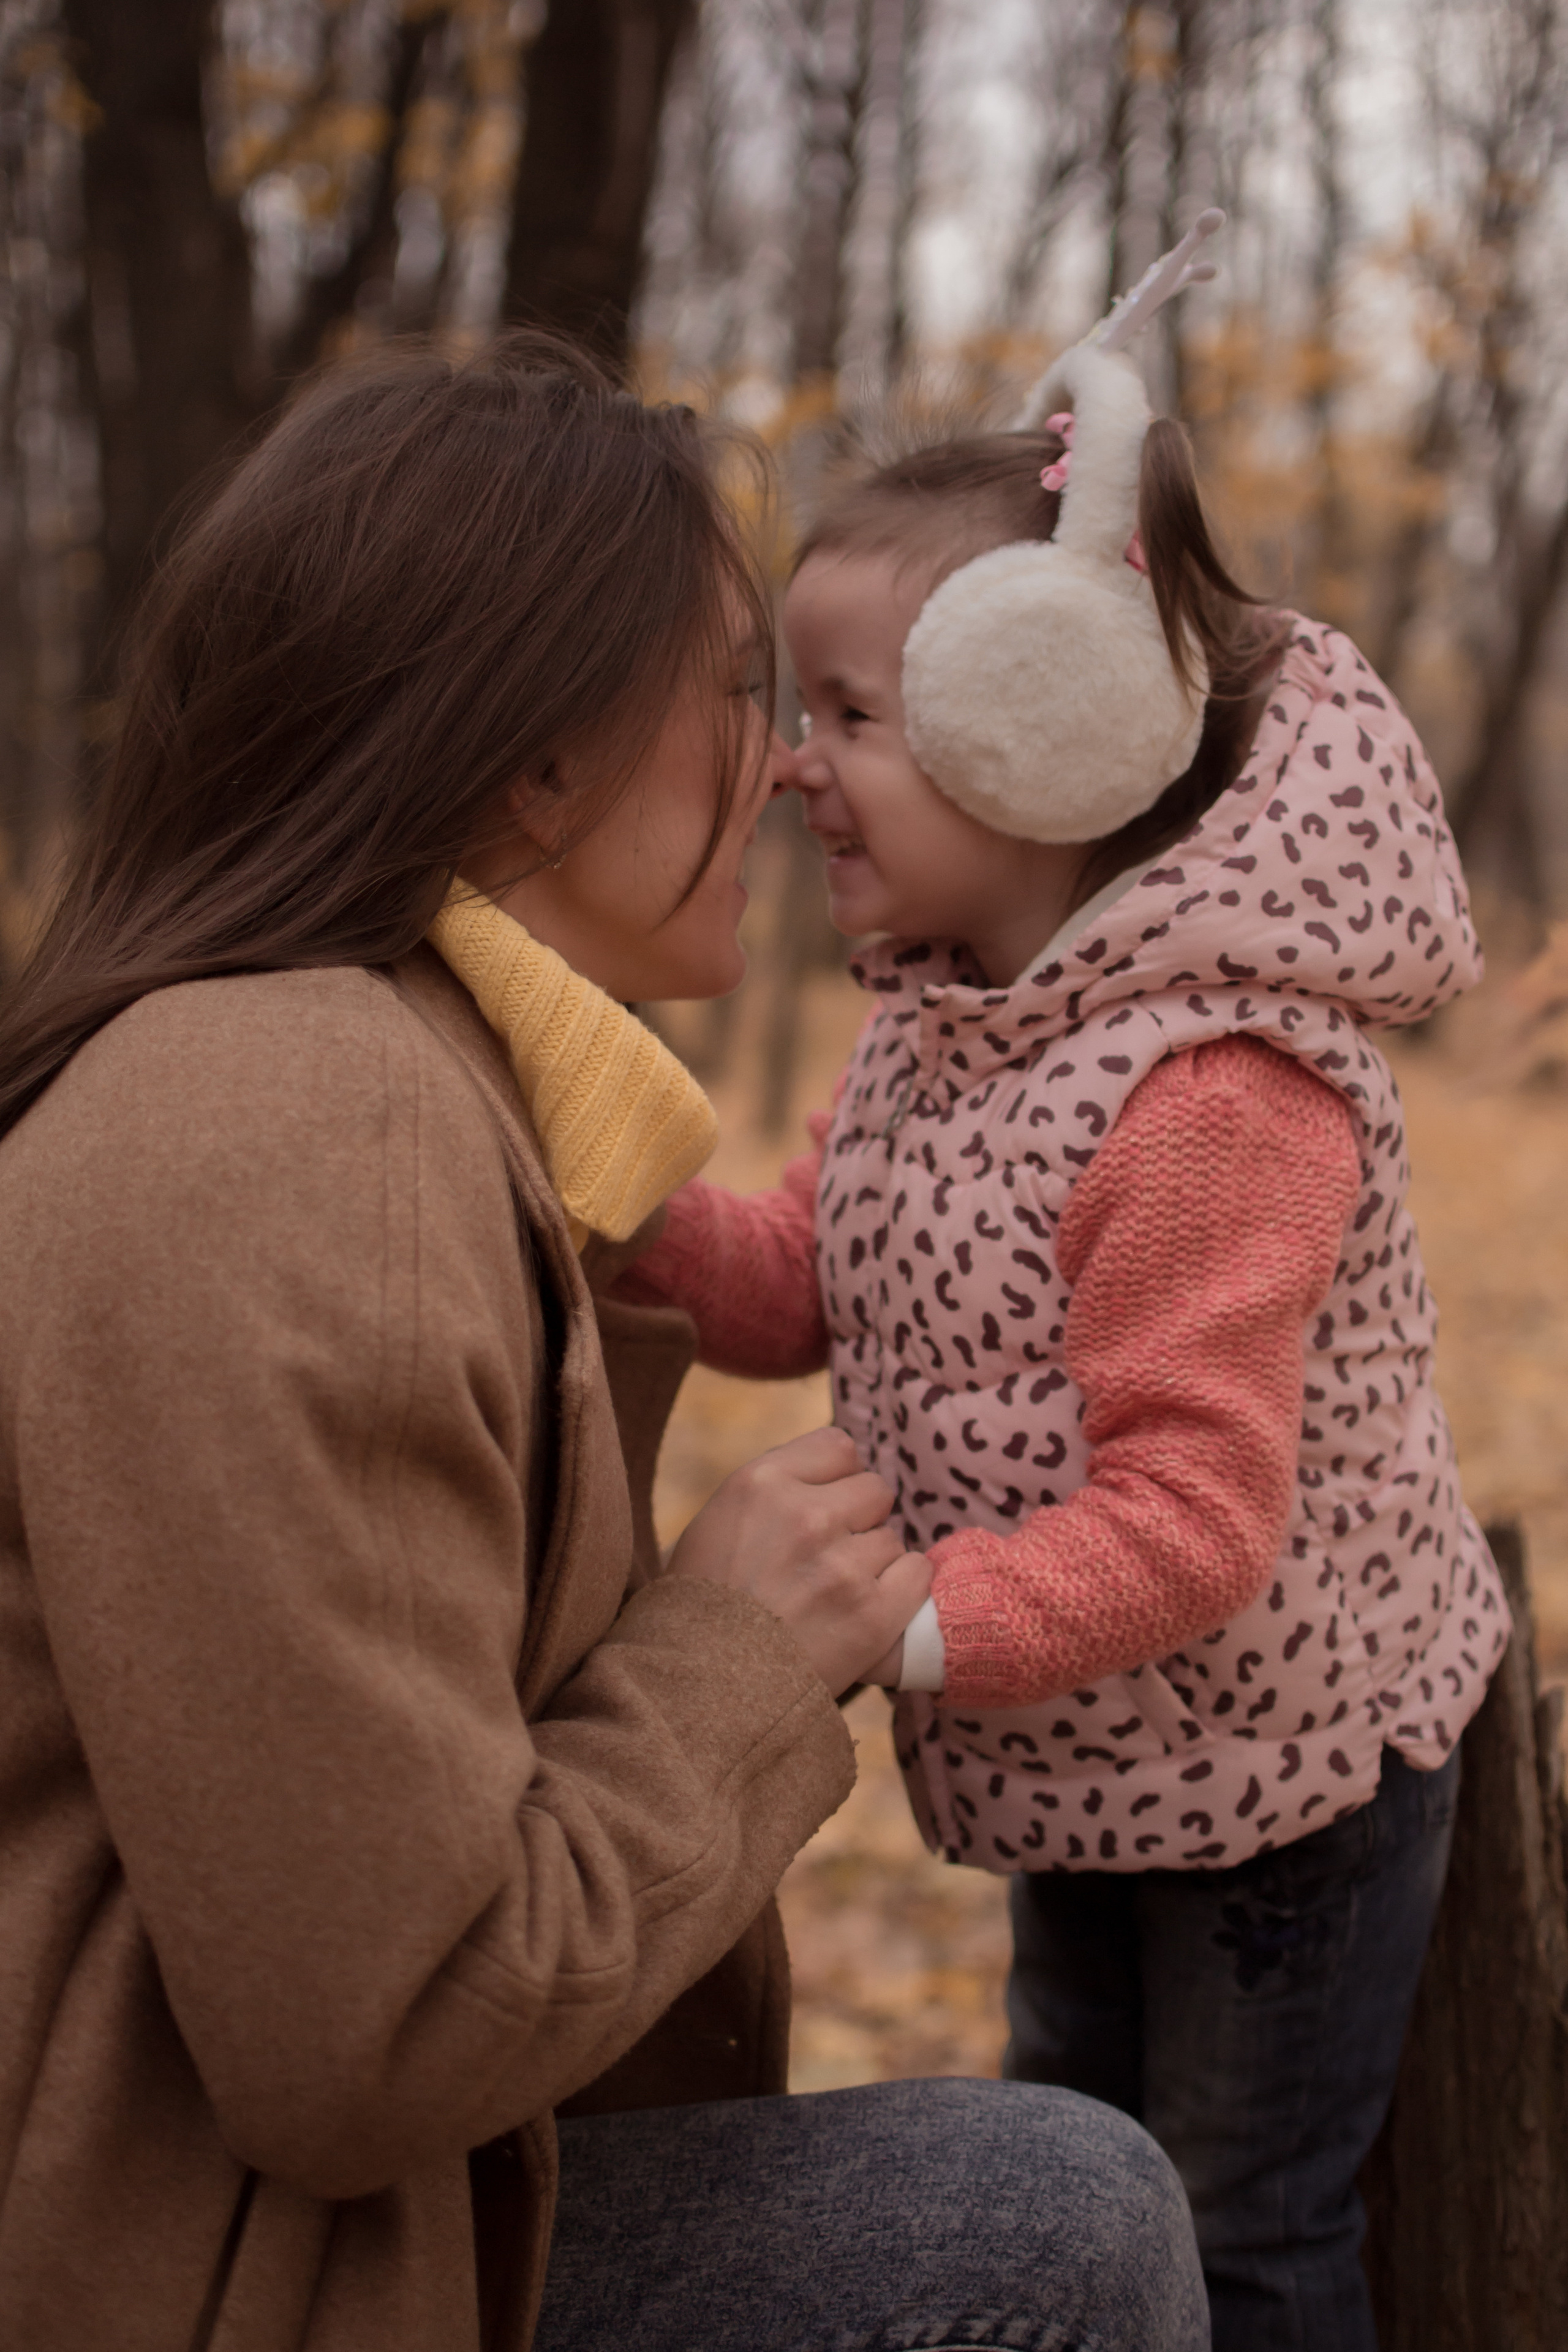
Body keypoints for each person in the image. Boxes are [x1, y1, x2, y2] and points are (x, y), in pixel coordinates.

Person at [0, 335, 1210, 2352]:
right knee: (1055, 2215)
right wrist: (738, 1651)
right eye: (742, 691)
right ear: (530, 759)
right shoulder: (307, 1125)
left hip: (205, 2216)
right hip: (187, 2275)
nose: (792, 762)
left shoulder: (370, 1087)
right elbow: (375, 2030)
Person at [618, 275, 1509, 2351]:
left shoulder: (1212, 1097)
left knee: (1242, 2233)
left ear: (1051, 733)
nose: (784, 774)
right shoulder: (947, 1030)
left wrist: (905, 1629)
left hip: (1283, 1782)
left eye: (846, 718)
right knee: (1070, 2180)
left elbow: (1200, 1522)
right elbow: (795, 1280)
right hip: (1090, 1750)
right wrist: (621, 1210)